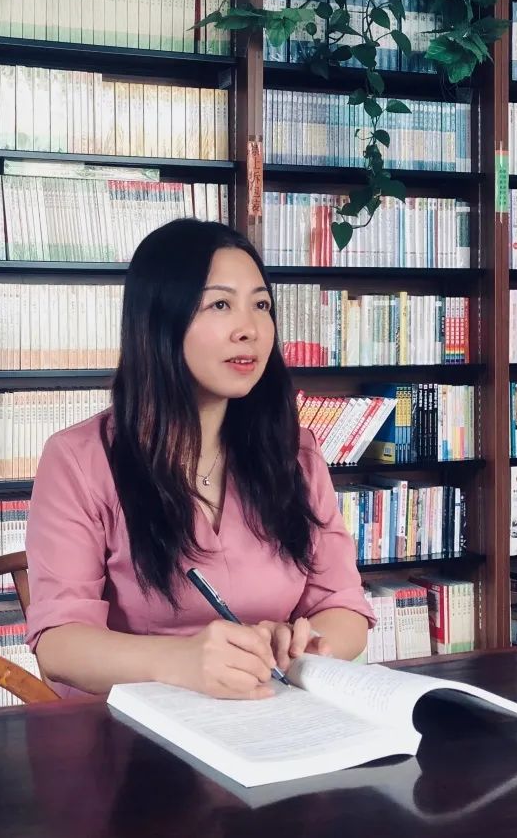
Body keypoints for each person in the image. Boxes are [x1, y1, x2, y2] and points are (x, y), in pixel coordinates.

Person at [25, 218, 373, 699]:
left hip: (265, 713)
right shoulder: (79, 460)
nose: (249, 330)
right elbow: (59, 645)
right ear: (160, 321)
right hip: (129, 727)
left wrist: (304, 645)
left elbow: (345, 605)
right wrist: (182, 660)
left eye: (261, 305)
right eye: (220, 304)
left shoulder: (296, 453)